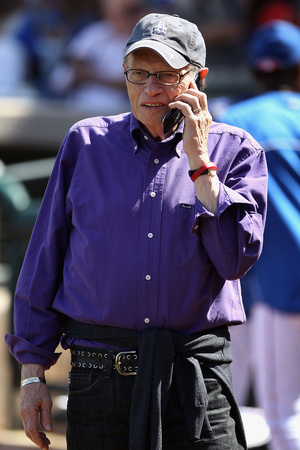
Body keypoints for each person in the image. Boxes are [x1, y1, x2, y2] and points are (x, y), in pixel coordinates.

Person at [5, 12, 268, 450]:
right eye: (138, 73)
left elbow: (234, 259)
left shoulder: (237, 150)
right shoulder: (85, 143)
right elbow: (43, 260)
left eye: (166, 75)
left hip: (194, 378)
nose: (150, 89)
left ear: (198, 78)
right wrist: (32, 373)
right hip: (97, 380)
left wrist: (201, 165)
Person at [220, 20, 300, 450]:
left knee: (283, 416)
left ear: (255, 70)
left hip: (279, 285)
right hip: (277, 286)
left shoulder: (237, 120)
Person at [48, 0, 146, 112]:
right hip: (77, 108)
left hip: (120, 114)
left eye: (132, 12)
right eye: (118, 12)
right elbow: (70, 68)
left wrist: (92, 76)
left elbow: (136, 83)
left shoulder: (143, 40)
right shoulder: (95, 32)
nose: (125, 17)